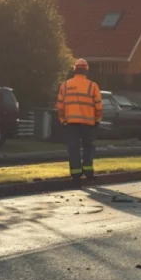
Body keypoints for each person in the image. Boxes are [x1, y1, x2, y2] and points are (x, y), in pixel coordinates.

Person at [56, 58, 103, 186]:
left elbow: (60, 106)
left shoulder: (65, 85)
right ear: (86, 71)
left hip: (71, 123)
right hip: (88, 124)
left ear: (74, 70)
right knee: (88, 147)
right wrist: (97, 120)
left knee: (73, 149)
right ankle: (88, 173)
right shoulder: (93, 86)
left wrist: (62, 120)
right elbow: (98, 106)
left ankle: (76, 176)